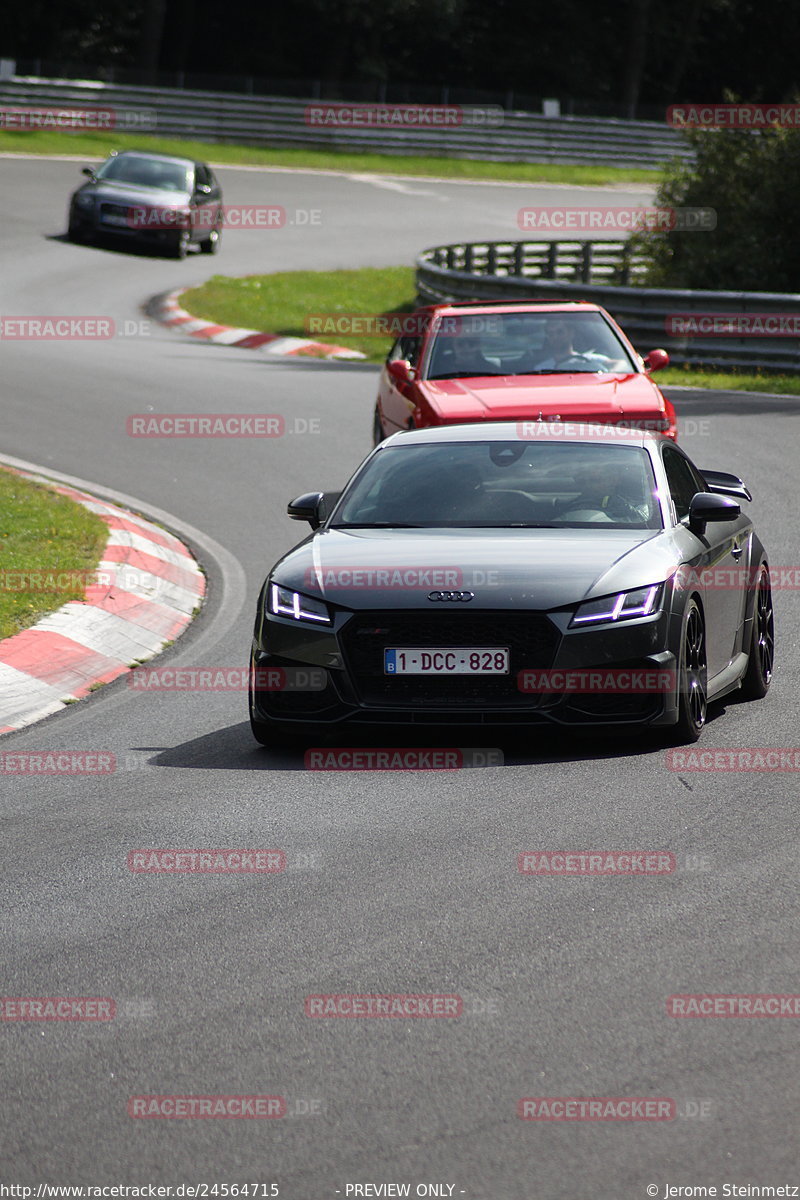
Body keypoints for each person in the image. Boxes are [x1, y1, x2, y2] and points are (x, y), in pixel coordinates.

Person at [534, 319, 613, 371]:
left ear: (571, 333)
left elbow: (621, 364)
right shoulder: (541, 369)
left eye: (560, 332)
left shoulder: (590, 360)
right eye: (551, 333)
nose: (555, 337)